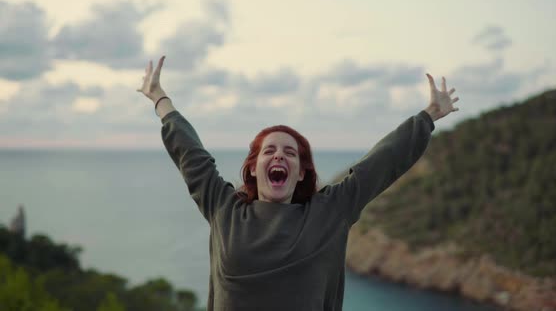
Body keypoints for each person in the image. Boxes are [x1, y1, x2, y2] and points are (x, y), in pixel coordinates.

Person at [137, 55, 459, 310]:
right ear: (253, 167)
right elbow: (191, 156)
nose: (279, 157)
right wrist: (159, 98)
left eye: (290, 153)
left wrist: (428, 116)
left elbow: (381, 163)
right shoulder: (225, 209)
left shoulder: (328, 213)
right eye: (270, 151)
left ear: (302, 171)